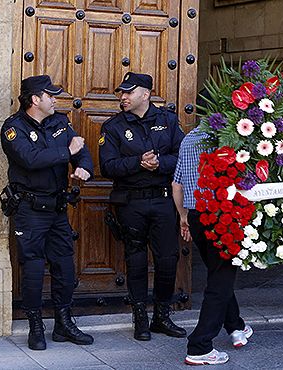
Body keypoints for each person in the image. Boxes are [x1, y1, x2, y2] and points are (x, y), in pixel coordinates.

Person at [0, 75, 95, 350]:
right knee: (32, 268)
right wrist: (68, 152)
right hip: (30, 210)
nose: (55, 99)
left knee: (65, 266)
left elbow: (81, 150)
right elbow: (30, 159)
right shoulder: (13, 128)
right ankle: (35, 327)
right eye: (50, 95)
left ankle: (64, 324)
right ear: (35, 100)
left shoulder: (60, 122)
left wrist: (84, 166)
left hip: (57, 208)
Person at [99, 72, 186, 341]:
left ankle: (162, 315)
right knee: (135, 260)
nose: (123, 97)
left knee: (167, 260)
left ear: (145, 94)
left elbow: (182, 157)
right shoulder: (113, 127)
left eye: (128, 92)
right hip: (131, 202)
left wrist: (160, 163)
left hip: (162, 200)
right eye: (122, 93)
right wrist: (138, 162)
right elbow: (108, 166)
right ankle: (140, 317)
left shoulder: (168, 121)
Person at [172, 91, 252, 366]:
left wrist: (183, 217)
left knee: (220, 275)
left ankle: (236, 326)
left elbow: (177, 184)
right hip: (224, 217)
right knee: (220, 281)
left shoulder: (189, 138)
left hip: (196, 215)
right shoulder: (230, 139)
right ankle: (200, 345)